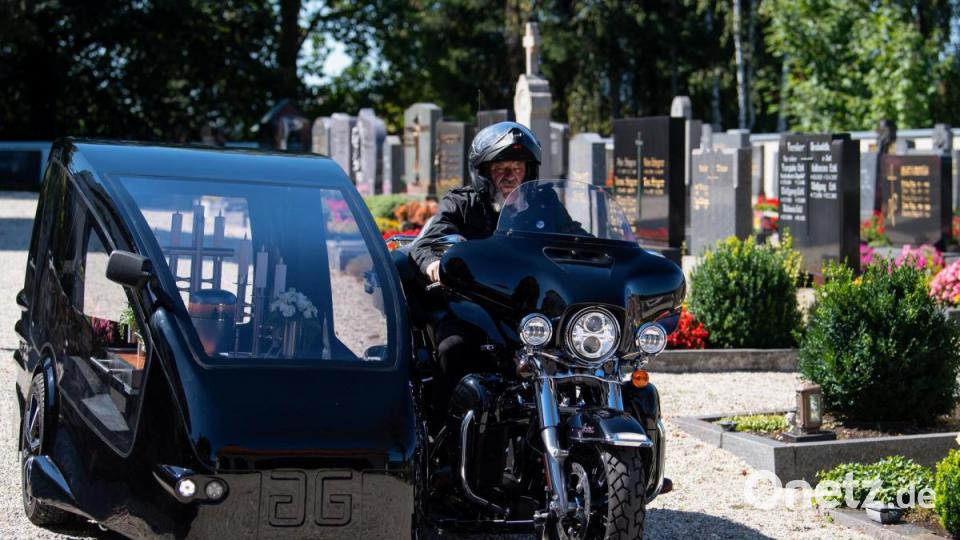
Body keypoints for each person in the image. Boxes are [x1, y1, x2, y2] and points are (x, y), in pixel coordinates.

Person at [410, 121, 541, 430]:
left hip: (529, 313)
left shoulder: (543, 207)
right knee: (453, 348)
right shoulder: (461, 203)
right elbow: (428, 242)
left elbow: (573, 238)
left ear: (529, 171)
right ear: (483, 172)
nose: (510, 176)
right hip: (473, 311)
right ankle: (443, 436)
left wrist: (599, 255)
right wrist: (435, 263)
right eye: (500, 168)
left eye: (517, 168)